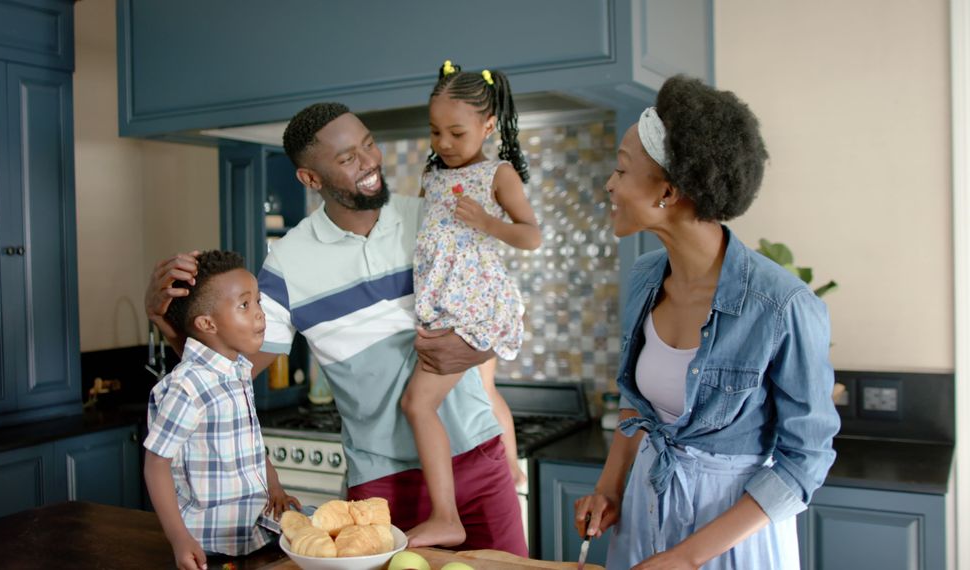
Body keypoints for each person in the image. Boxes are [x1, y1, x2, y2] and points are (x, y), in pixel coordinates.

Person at [145, 103, 528, 556]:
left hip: (478, 455)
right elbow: (228, 374)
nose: (369, 162)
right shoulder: (288, 263)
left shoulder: (432, 217)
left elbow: (500, 310)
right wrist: (162, 319)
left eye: (368, 144)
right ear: (311, 180)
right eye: (347, 158)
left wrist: (476, 352)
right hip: (383, 483)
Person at [573, 75, 839, 569]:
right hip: (645, 512)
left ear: (668, 192)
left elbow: (805, 461)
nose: (610, 184)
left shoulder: (783, 305)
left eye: (622, 170)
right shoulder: (645, 276)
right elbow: (637, 404)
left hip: (732, 538)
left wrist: (686, 558)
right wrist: (608, 490)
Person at [400, 61, 541, 548]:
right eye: (436, 131)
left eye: (457, 132)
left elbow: (532, 234)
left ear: (487, 126)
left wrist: (489, 222)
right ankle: (473, 491)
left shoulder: (497, 175)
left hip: (475, 307)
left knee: (418, 404)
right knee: (445, 400)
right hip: (445, 306)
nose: (443, 142)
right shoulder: (434, 175)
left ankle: (447, 514)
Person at [142, 250, 301, 570]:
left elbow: (251, 441)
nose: (260, 314)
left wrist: (276, 487)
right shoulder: (187, 387)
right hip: (209, 546)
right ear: (206, 323)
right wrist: (178, 538)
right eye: (245, 304)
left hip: (251, 537)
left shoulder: (238, 370)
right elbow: (156, 465)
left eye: (258, 301)